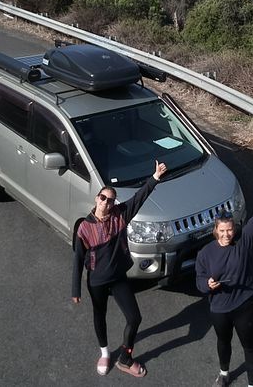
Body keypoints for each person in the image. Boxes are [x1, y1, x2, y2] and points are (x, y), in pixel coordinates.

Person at [72, 160, 168, 377]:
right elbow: (78, 260)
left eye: (111, 200)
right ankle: (105, 353)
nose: (106, 202)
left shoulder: (120, 216)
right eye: (103, 198)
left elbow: (139, 198)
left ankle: (125, 357)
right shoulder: (84, 228)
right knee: (100, 315)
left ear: (115, 203)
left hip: (118, 278)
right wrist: (75, 290)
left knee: (134, 318)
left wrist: (155, 178)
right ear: (97, 198)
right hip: (96, 281)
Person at [195, 175, 253, 387]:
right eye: (222, 230)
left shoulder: (243, 243)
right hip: (219, 307)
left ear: (234, 229)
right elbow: (199, 280)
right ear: (215, 231)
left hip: (243, 305)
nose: (227, 234)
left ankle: (252, 384)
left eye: (230, 230)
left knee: (249, 346)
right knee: (223, 341)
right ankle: (224, 373)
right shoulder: (205, 253)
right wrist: (207, 285)